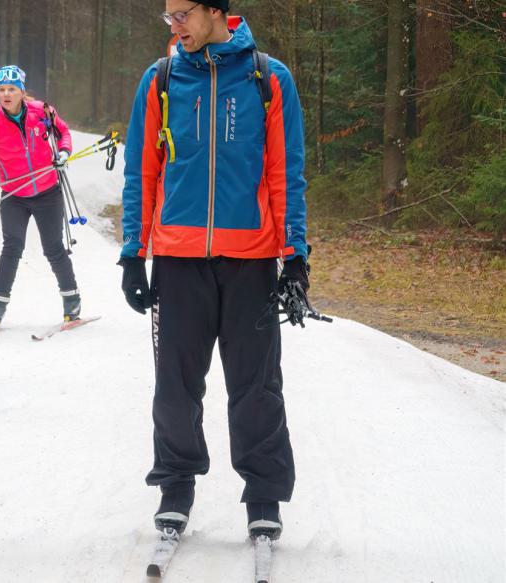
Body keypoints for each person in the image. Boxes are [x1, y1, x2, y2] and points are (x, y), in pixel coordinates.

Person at [118, 0, 309, 544]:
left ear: (216, 11)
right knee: (175, 386)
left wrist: (295, 254)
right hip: (178, 259)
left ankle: (264, 497)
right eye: (168, 17)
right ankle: (175, 487)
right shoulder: (160, 80)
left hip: (251, 260)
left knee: (256, 387)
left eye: (181, 15)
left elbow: (285, 170)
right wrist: (134, 251)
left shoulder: (268, 79)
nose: (173, 26)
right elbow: (142, 168)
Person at [0, 65, 80, 327]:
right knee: (12, 248)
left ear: (22, 91)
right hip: (14, 195)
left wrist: (64, 153)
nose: (6, 94)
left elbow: (63, 133)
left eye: (12, 89)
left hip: (47, 192)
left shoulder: (42, 112)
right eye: (1, 90)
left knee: (53, 248)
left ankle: (71, 299)